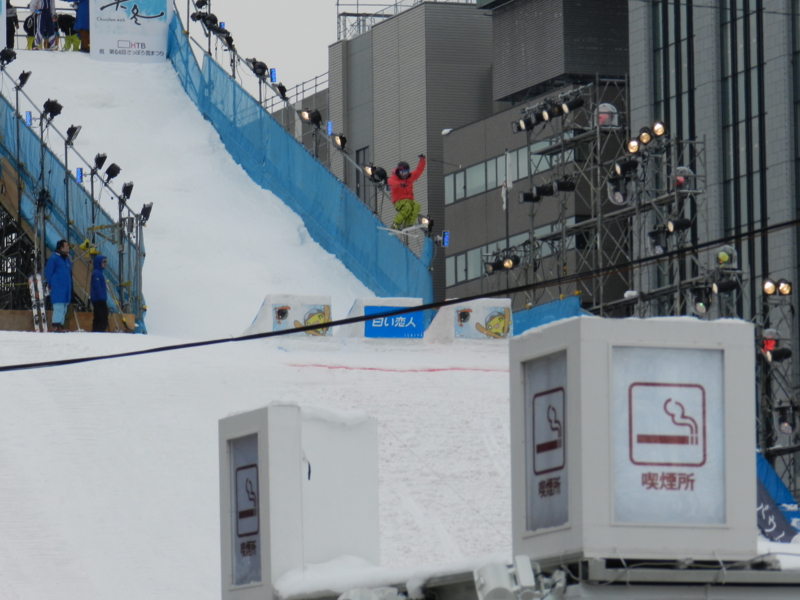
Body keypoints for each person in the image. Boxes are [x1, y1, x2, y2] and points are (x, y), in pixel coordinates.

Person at [387, 154, 425, 230]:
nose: (405, 175)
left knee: (416, 206)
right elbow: (390, 182)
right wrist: (399, 184)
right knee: (407, 207)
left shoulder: (410, 177)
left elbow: (419, 170)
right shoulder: (393, 178)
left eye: (407, 172)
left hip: (409, 200)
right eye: (403, 173)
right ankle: (396, 223)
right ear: (399, 171)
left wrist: (422, 160)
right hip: (399, 201)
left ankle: (408, 224)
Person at [44, 239, 72, 333]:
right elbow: (48, 272)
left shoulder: (66, 259)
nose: (68, 248)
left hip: (66, 288)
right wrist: (52, 284)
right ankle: (55, 325)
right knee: (58, 307)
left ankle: (60, 325)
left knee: (64, 308)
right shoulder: (54, 258)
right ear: (60, 247)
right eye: (66, 246)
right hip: (58, 288)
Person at [90, 255, 109, 332]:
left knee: (98, 317)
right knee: (103, 317)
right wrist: (102, 298)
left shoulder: (99, 273)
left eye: (105, 262)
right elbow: (97, 287)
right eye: (103, 262)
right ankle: (99, 331)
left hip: (98, 299)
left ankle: (96, 331)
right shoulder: (97, 273)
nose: (105, 263)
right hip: (99, 300)